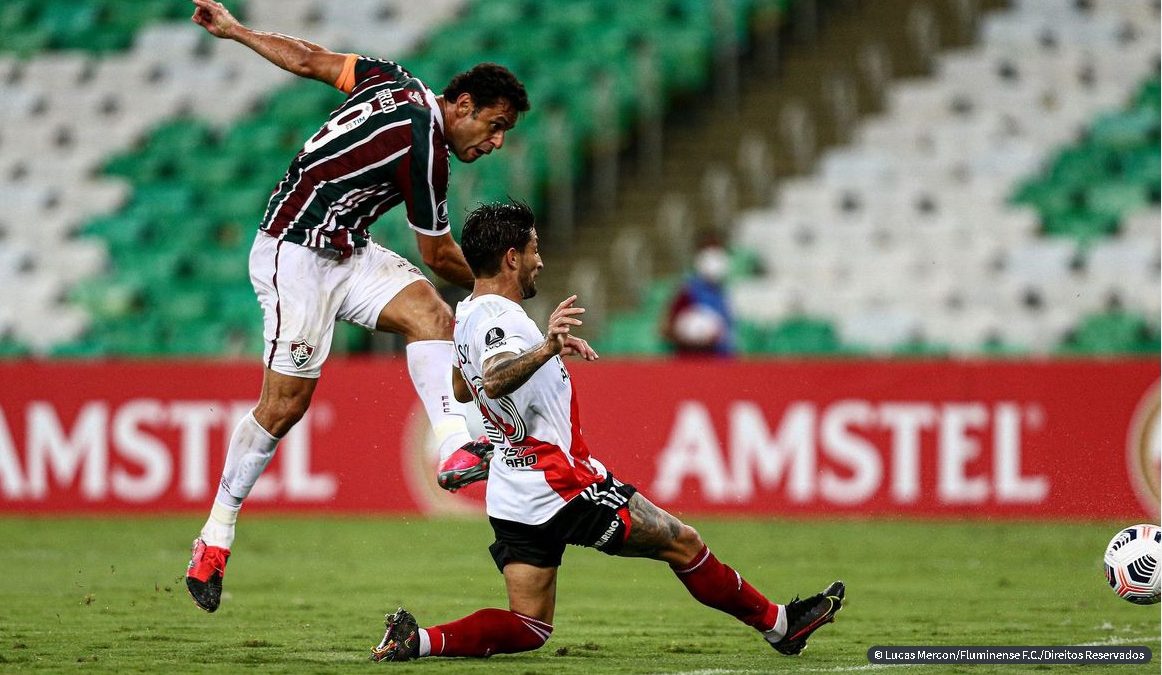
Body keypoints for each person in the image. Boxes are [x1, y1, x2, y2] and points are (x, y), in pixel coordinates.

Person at [369, 201, 843, 662]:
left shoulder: (470, 309)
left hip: (514, 494)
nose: (540, 260)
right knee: (684, 543)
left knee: (531, 625)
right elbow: (493, 377)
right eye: (533, 249)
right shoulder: (500, 318)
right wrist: (545, 349)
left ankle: (419, 641)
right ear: (511, 257)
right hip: (563, 483)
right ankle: (781, 626)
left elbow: (464, 385)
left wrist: (528, 377)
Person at [184, 0, 530, 613]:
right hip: (294, 255)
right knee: (285, 406)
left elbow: (311, 59)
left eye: (505, 132)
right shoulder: (426, 148)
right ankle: (216, 533)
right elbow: (436, 252)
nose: (496, 141)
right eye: (494, 125)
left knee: (432, 317)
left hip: (346, 249)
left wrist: (237, 31)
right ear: (463, 106)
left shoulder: (391, 77)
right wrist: (502, 285)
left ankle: (453, 447)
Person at [661, 233, 736, 356]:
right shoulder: (689, 290)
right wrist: (694, 338)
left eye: (718, 252)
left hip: (724, 362)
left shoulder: (725, 292)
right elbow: (665, 329)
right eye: (709, 253)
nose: (714, 259)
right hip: (695, 362)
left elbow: (729, 331)